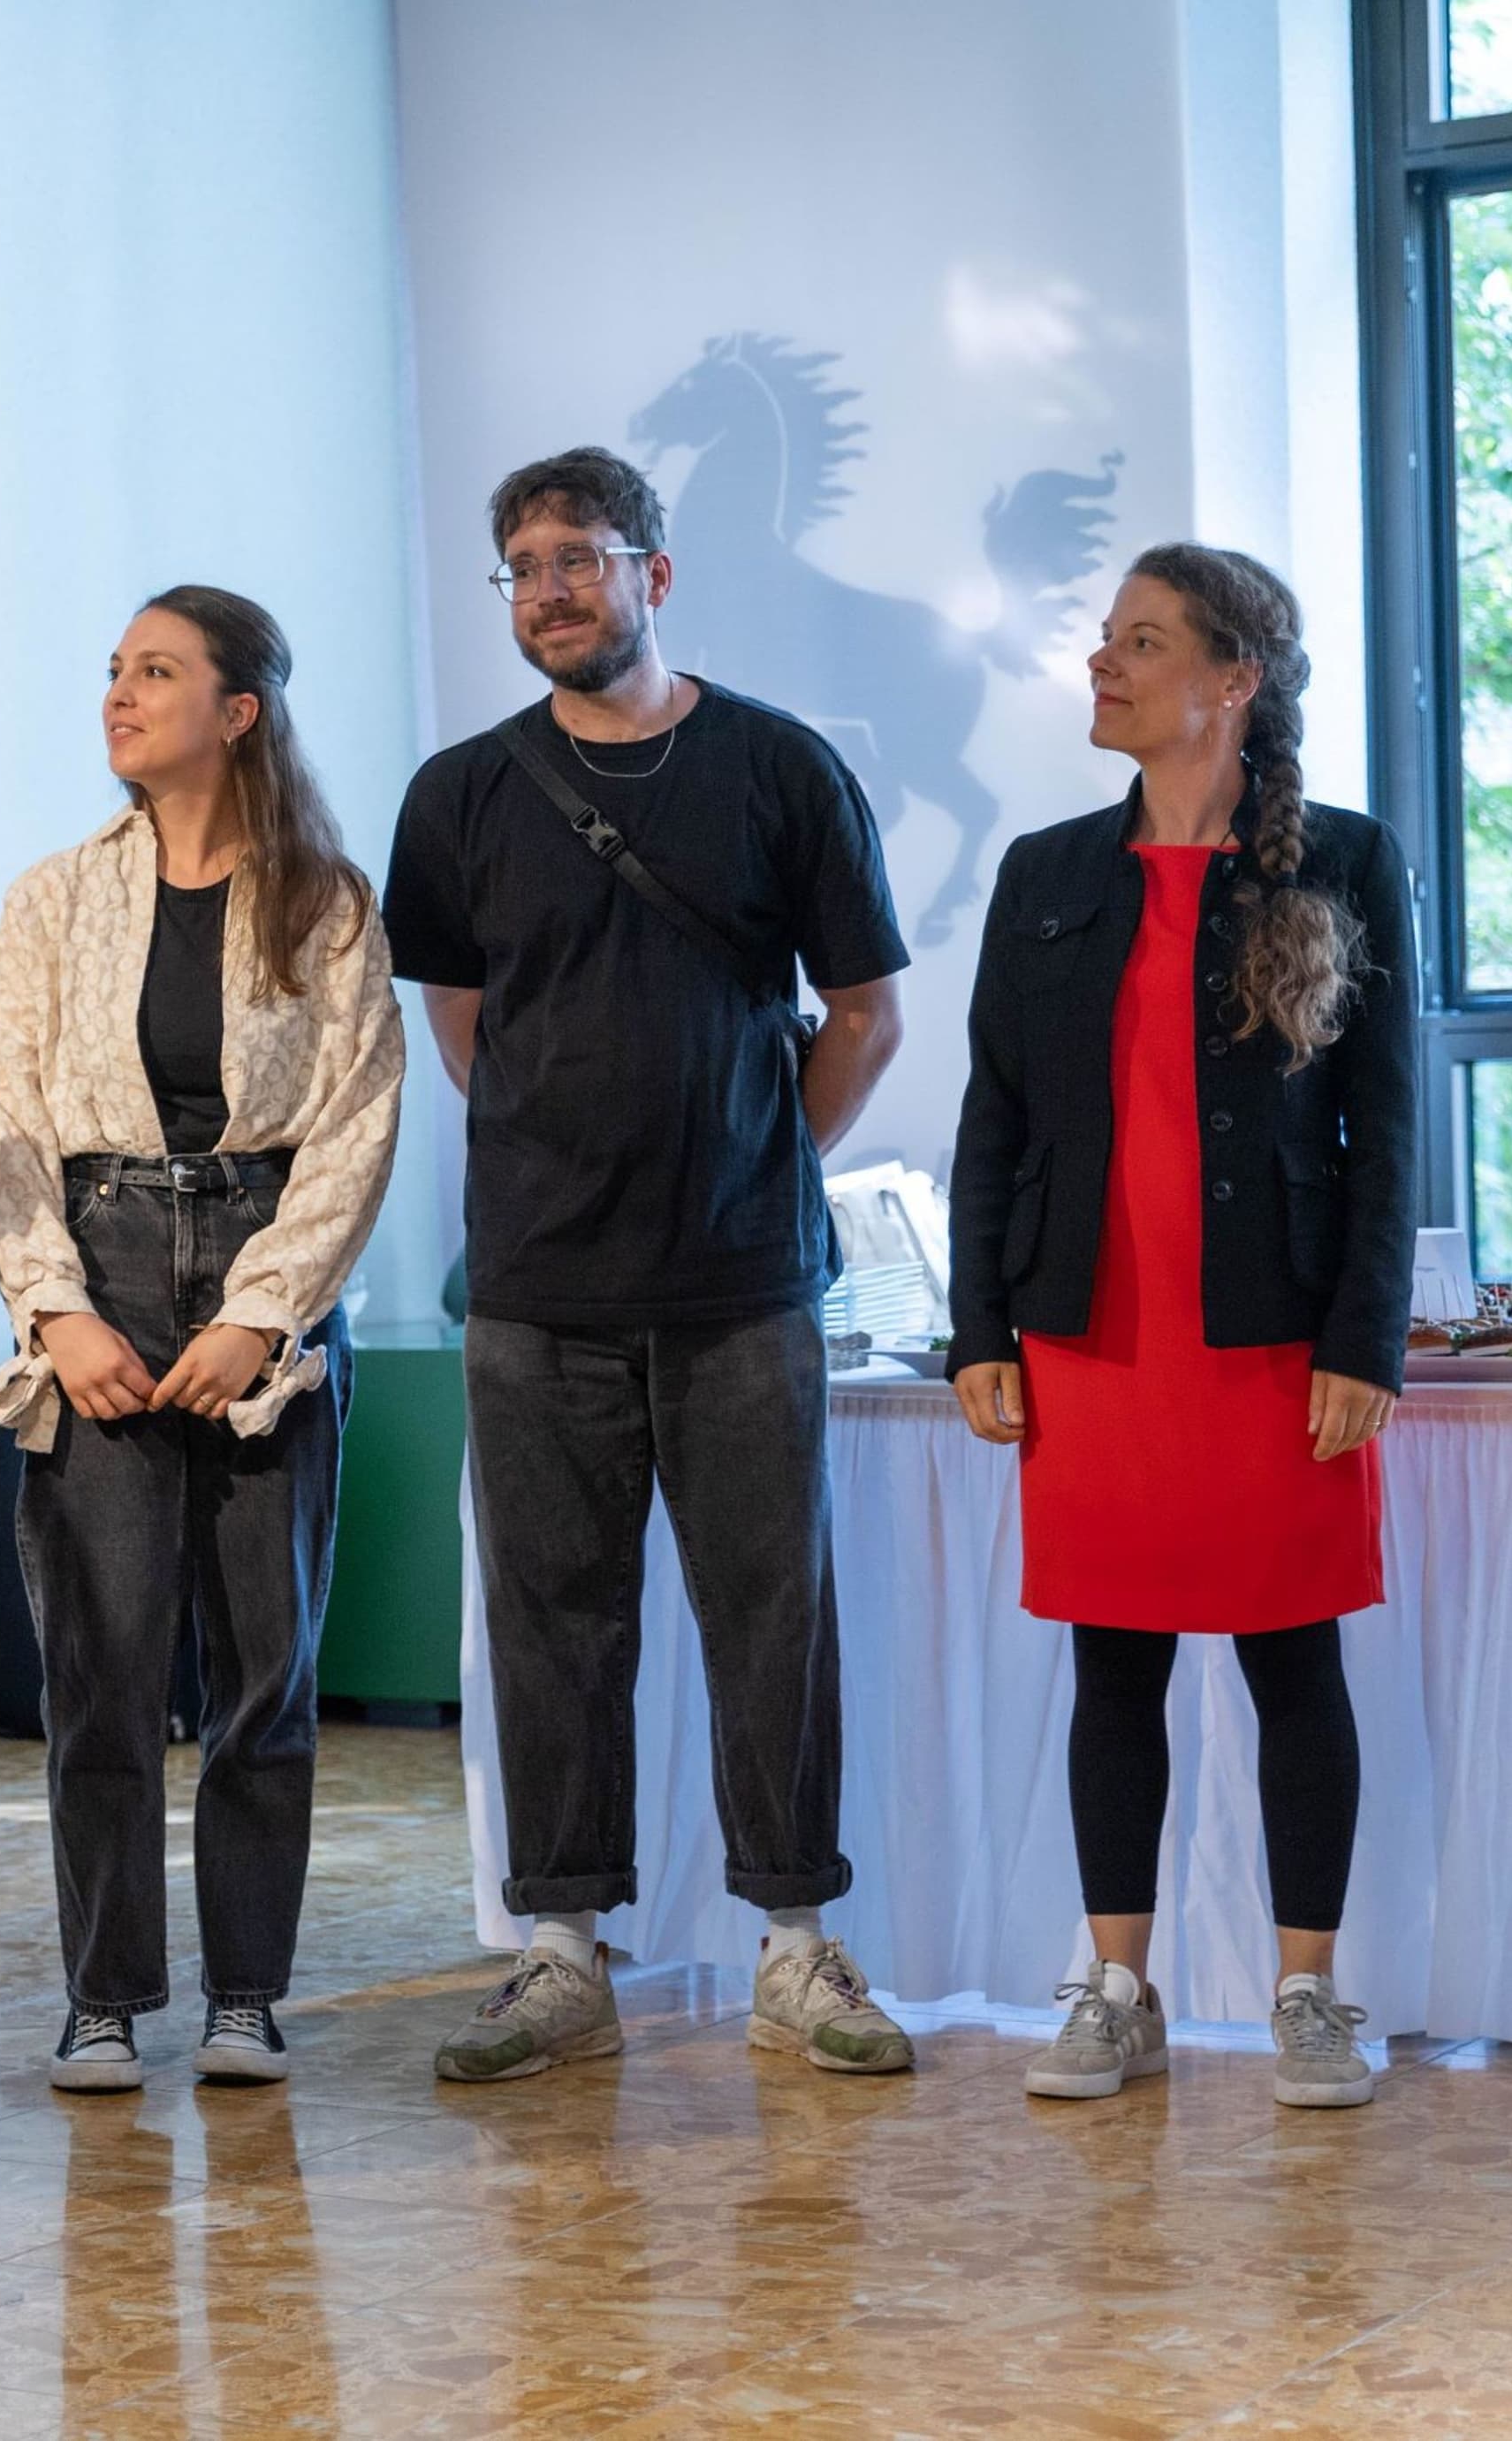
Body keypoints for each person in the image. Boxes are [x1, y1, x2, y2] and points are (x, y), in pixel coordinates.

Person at [382, 445, 917, 2085]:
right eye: (525, 566)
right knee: (552, 1624)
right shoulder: (461, 794)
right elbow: (469, 1036)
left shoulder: (781, 769)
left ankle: (795, 1947)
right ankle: (559, 1951)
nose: (551, 588)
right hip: (538, 1289)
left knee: (775, 1622)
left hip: (745, 1284)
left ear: (654, 576)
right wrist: (587, 1164)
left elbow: (869, 1015)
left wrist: (751, 1164)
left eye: (582, 558)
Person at [947, 545, 1417, 2110]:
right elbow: (995, 1123)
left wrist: (1366, 1339)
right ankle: (1117, 1988)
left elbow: (1388, 1126)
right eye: (1104, 639)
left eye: (1140, 643)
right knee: (1112, 1670)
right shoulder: (1044, 873)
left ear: (1233, 681)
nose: (1103, 664)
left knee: (1295, 1668)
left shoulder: (1344, 862)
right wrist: (977, 1331)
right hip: (1090, 1342)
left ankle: (1307, 1996)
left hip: (1275, 1343)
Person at [0, 586, 402, 2094]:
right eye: (110, 671)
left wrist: (265, 1314)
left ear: (238, 710)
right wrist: (56, 1305)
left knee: (263, 1662)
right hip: (104, 1263)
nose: (118, 694)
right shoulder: (52, 898)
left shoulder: (327, 903)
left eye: (155, 671)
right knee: (98, 1658)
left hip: (261, 1269)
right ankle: (104, 1994)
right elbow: (4, 1116)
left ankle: (246, 1994)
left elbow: (354, 1127)